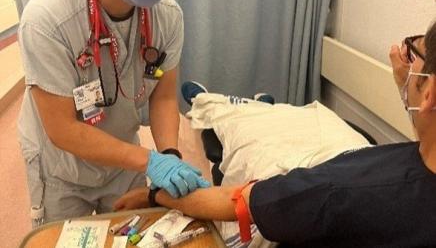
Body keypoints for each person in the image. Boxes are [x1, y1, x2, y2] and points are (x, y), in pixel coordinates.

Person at [114, 23, 436, 247]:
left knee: (245, 125)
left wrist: (154, 195)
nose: (403, 57)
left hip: (312, 169)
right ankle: (257, 106)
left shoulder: (331, 193)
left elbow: (234, 201)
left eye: (413, 52)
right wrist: (407, 88)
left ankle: (227, 104)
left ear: (430, 92)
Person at [17, 0, 209, 227]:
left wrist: (170, 156)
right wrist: (150, 161)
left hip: (123, 158)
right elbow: (62, 129)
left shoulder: (167, 16)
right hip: (63, 167)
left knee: (133, 234)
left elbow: (162, 98)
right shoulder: (48, 20)